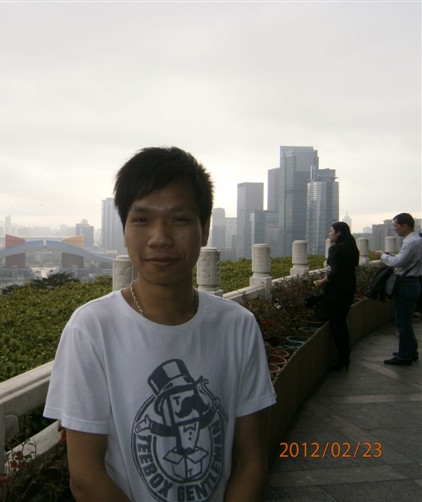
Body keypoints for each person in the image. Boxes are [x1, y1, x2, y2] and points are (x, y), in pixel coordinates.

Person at [44, 147, 276, 501]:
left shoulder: (237, 326)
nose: (159, 238)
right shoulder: (92, 329)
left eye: (179, 219)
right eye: (142, 220)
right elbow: (86, 477)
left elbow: (252, 461)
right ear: (124, 230)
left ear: (205, 230)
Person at [375, 213, 422, 366]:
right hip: (413, 282)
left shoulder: (411, 242)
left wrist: (383, 256)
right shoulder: (417, 240)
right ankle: (411, 350)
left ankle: (404, 355)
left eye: (396, 226)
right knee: (405, 319)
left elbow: (398, 262)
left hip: (406, 284)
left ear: (405, 226)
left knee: (402, 321)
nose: (394, 228)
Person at [313, 222, 359, 371]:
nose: (329, 234)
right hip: (349, 289)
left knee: (337, 325)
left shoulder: (335, 249)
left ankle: (342, 360)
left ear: (338, 233)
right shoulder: (351, 248)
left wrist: (322, 281)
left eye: (331, 231)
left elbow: (335, 272)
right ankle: (345, 357)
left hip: (337, 291)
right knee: (342, 324)